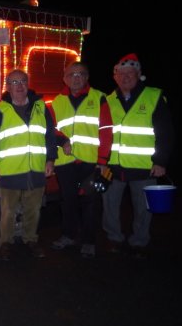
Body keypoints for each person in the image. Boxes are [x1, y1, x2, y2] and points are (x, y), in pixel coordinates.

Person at [102, 53, 174, 258]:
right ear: (115, 76)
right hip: (112, 165)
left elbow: (166, 133)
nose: (126, 77)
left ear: (139, 74)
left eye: (130, 73)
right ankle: (114, 238)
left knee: (143, 208)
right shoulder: (107, 99)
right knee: (110, 205)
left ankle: (139, 242)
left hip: (144, 166)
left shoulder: (154, 96)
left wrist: (161, 161)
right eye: (121, 73)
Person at [0, 69, 57, 260]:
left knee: (33, 210)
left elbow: (49, 136)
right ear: (8, 86)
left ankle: (31, 240)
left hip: (36, 169)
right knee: (8, 212)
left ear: (28, 84)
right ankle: (5, 244)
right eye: (14, 82)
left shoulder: (41, 108)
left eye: (22, 81)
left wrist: (51, 159)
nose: (19, 86)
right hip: (9, 170)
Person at [50, 61, 113, 259]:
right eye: (72, 75)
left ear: (86, 77)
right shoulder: (56, 102)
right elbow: (50, 129)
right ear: (64, 78)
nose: (76, 78)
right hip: (65, 162)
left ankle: (88, 241)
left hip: (91, 161)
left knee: (90, 201)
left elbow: (106, 131)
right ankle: (68, 235)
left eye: (80, 74)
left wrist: (102, 161)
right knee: (67, 200)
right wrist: (62, 140)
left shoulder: (99, 97)